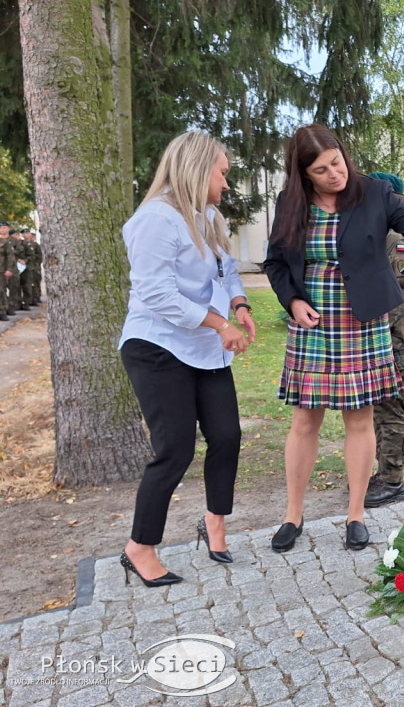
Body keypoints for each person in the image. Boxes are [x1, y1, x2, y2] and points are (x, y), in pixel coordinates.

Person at [263, 124, 404, 552]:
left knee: (360, 420)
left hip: (361, 321)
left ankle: (356, 514)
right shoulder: (291, 202)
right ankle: (292, 516)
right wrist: (291, 301)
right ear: (304, 173)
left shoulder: (374, 194)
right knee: (304, 421)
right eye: (321, 170)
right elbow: (274, 263)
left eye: (337, 162)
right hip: (312, 325)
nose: (334, 174)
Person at [117, 131, 256, 587]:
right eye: (223, 172)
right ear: (198, 169)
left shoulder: (208, 216)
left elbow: (227, 270)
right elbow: (156, 293)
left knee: (226, 436)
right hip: (157, 346)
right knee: (175, 447)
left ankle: (213, 524)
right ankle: (139, 547)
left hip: (201, 346)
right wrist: (220, 325)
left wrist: (240, 307)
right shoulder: (156, 219)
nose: (227, 183)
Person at [365, 172, 404, 508]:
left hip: (395, 341)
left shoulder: (398, 239)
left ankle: (393, 481)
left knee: (391, 411)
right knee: (379, 411)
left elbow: (401, 298)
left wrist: (382, 337)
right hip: (381, 340)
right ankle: (384, 472)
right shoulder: (382, 234)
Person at [0, 222, 13, 321]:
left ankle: (2, 311)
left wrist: (9, 269)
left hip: (1, 270)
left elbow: (10, 256)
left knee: (1, 291)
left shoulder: (4, 242)